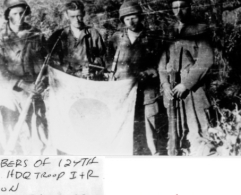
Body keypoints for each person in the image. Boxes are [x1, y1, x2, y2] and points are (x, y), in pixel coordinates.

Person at [0, 0, 48, 155]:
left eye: (22, 12)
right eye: (15, 13)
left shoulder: (36, 35)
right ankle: (15, 167)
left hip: (34, 90)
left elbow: (46, 62)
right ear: (8, 15)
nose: (19, 17)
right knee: (10, 131)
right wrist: (22, 84)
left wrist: (43, 82)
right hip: (10, 92)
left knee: (39, 130)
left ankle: (39, 167)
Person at [158, 0, 214, 156]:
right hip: (172, 90)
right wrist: (165, 84)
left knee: (199, 135)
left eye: (182, 7)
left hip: (194, 91)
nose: (178, 11)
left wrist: (186, 84)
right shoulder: (170, 31)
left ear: (189, 8)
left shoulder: (200, 29)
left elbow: (206, 59)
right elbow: (162, 61)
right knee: (177, 135)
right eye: (174, 8)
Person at [107, 1, 162, 155]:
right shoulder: (116, 38)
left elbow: (161, 65)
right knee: (126, 131)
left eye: (134, 17)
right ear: (122, 21)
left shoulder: (153, 37)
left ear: (140, 16)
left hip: (147, 93)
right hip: (124, 95)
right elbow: (110, 63)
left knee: (150, 130)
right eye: (127, 19)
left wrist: (148, 73)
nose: (131, 22)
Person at [48, 0, 107, 80]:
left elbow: (102, 57)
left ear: (83, 14)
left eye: (79, 16)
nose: (77, 20)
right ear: (66, 15)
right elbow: (50, 59)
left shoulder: (93, 34)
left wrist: (92, 68)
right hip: (65, 79)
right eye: (72, 16)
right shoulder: (59, 35)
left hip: (88, 79)